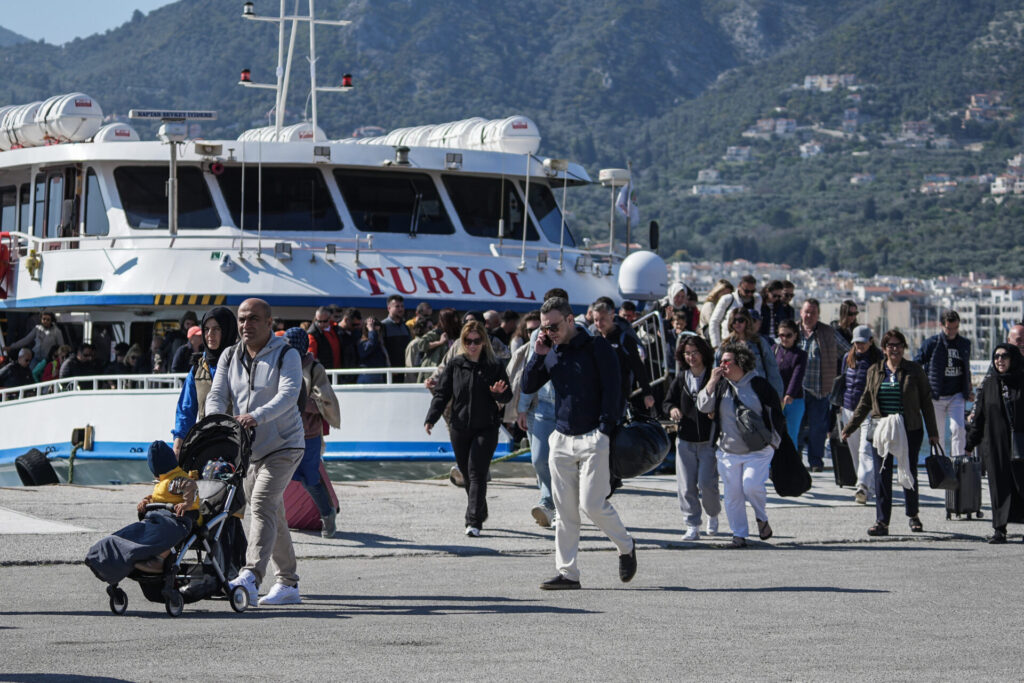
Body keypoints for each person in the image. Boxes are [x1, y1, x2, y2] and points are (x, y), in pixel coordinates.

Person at [522, 297, 636, 590]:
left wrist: (605, 429)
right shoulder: (550, 349)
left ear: (570, 321)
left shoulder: (597, 347)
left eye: (554, 326)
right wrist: (537, 353)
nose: (549, 332)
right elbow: (527, 386)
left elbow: (615, 389)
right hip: (561, 438)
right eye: (545, 328)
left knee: (592, 504)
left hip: (593, 437)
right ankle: (568, 573)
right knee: (565, 511)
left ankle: (625, 546)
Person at [209, 298, 305, 607]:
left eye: (253, 319)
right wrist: (216, 425)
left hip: (285, 445)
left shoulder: (286, 354)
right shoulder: (229, 355)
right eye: (241, 319)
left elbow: (289, 394)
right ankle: (288, 583)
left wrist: (257, 416)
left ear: (269, 323)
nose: (245, 325)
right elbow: (217, 395)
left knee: (262, 502)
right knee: (272, 511)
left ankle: (250, 576)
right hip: (248, 449)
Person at [841, 329, 939, 537]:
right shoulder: (875, 371)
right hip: (882, 429)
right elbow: (865, 402)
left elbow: (927, 403)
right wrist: (850, 427)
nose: (894, 349)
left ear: (904, 347)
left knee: (908, 471)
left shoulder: (915, 370)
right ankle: (882, 521)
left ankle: (913, 515)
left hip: (909, 428)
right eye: (890, 345)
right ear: (884, 349)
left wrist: (933, 432)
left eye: (898, 345)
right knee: (881, 474)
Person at [424, 321, 511, 536]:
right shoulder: (455, 364)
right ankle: (479, 508)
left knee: (477, 472)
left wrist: (498, 394)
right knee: (467, 474)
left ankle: (473, 521)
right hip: (460, 427)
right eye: (468, 341)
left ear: (484, 341)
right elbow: (443, 393)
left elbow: (507, 396)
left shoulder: (494, 366)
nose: (472, 345)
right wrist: (431, 418)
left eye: (477, 341)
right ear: (462, 342)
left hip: (486, 427)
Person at [697, 342, 786, 548]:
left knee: (752, 485)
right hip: (728, 451)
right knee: (732, 495)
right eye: (721, 362)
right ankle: (739, 535)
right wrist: (710, 382)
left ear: (741, 363)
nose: (723, 365)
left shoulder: (759, 385)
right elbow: (703, 407)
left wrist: (773, 443)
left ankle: (761, 518)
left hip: (758, 451)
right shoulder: (720, 385)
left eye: (727, 361)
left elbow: (776, 416)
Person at [84, 441, 199, 583]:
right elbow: (157, 497)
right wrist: (146, 501)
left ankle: (159, 559)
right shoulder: (164, 483)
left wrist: (186, 503)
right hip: (159, 517)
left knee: (162, 533)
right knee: (137, 531)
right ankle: (104, 554)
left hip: (176, 520)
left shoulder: (175, 481)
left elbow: (190, 485)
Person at [284, 327, 342, 538]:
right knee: (282, 475)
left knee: (309, 478)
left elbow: (324, 402)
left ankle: (327, 515)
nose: (288, 347)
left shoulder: (314, 368)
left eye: (291, 343)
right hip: (284, 432)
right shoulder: (281, 365)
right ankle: (277, 519)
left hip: (308, 434)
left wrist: (296, 401)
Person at [965, 344, 1024, 543]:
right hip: (994, 443)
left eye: (1004, 356)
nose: (1000, 360)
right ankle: (1000, 529)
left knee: (1021, 484)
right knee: (997, 485)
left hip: (1020, 443)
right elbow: (979, 416)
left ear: (1013, 358)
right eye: (996, 356)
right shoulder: (989, 383)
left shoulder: (1021, 380)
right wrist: (970, 443)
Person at [663, 335, 720, 540]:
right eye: (687, 353)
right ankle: (692, 524)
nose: (691, 357)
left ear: (703, 353)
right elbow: (667, 401)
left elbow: (722, 402)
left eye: (694, 352)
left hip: (708, 441)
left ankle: (713, 514)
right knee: (686, 485)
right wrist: (673, 409)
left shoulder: (714, 377)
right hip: (685, 440)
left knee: (707, 483)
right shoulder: (680, 378)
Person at [171, 306, 238, 456]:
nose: (210, 335)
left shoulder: (242, 364)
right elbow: (186, 409)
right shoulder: (198, 367)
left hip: (239, 445)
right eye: (206, 329)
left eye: (216, 329)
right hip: (207, 445)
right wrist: (178, 444)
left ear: (227, 330)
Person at [798, 298, 851, 471]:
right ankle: (795, 461)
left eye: (813, 312)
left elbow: (848, 352)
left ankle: (815, 462)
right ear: (801, 312)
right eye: (806, 311)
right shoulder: (793, 331)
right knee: (796, 427)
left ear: (818, 315)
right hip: (796, 390)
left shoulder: (828, 332)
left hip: (820, 389)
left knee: (818, 428)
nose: (809, 315)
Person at [914, 310, 972, 457]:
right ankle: (940, 467)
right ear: (941, 325)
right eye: (948, 328)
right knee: (937, 434)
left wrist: (969, 389)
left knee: (958, 428)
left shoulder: (965, 344)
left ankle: (958, 464)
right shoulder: (931, 344)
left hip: (957, 395)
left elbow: (966, 368)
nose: (952, 331)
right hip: (935, 395)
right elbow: (916, 363)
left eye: (955, 328)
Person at [840, 325, 884, 505]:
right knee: (854, 450)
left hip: (868, 411)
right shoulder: (847, 357)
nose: (859, 346)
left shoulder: (878, 358)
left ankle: (863, 487)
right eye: (856, 343)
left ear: (870, 342)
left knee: (865, 450)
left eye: (862, 343)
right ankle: (867, 485)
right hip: (848, 408)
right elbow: (843, 379)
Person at [591, 301, 655, 415]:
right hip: (598, 391)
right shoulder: (595, 336)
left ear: (612, 316)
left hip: (618, 393)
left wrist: (647, 393)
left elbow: (638, 366)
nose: (599, 323)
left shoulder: (624, 338)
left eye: (602, 319)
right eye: (596, 320)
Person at [715, 308, 784, 398]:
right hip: (733, 393)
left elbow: (772, 369)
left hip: (758, 392)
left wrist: (777, 396)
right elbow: (717, 371)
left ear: (747, 322)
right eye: (734, 321)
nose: (737, 323)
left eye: (741, 320)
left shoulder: (759, 342)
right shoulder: (725, 345)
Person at [774, 319, 808, 448]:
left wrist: (789, 394)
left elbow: (797, 375)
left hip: (794, 401)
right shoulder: (774, 350)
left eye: (788, 335)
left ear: (795, 335)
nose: (784, 339)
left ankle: (791, 465)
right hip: (776, 399)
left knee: (791, 434)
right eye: (781, 335)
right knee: (774, 434)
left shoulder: (800, 355)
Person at [709, 274, 761, 348]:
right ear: (739, 287)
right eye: (746, 291)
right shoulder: (727, 299)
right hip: (729, 341)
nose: (749, 294)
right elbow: (714, 322)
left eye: (752, 291)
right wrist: (716, 345)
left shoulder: (757, 299)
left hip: (750, 342)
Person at [380, 294, 411, 383]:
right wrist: (389, 367)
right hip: (390, 372)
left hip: (405, 371)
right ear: (389, 308)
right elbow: (382, 348)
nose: (401, 309)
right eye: (397, 306)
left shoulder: (405, 327)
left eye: (402, 306)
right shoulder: (383, 326)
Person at [357, 316, 389, 383]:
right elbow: (369, 347)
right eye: (375, 330)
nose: (377, 333)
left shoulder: (380, 343)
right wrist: (371, 330)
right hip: (367, 375)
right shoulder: (362, 342)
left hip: (379, 374)